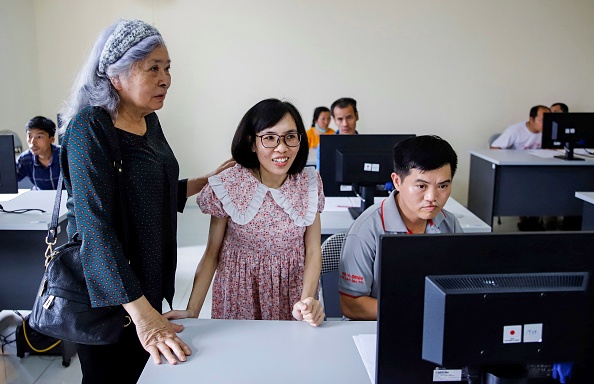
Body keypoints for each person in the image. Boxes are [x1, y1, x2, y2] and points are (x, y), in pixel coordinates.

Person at [58, 18, 234, 383]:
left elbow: (149, 195)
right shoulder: (89, 127)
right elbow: (95, 230)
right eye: (152, 68)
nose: (165, 78)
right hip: (111, 301)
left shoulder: (148, 122)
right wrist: (143, 316)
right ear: (115, 74)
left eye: (167, 68)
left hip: (148, 289)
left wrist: (207, 181)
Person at [164, 98, 325, 327]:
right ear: (252, 143)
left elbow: (312, 250)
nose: (282, 148)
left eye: (290, 136)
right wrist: (192, 310)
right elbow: (212, 253)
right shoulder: (230, 184)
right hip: (241, 291)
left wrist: (307, 300)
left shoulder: (308, 182)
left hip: (293, 288)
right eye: (269, 138)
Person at [338, 135, 462, 321]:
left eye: (443, 186)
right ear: (397, 181)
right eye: (421, 186)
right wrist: (417, 312)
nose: (432, 197)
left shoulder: (449, 223)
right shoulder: (366, 229)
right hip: (379, 328)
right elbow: (351, 305)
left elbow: (460, 285)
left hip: (434, 324)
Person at [490, 105, 551, 231]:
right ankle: (526, 219)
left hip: (540, 171)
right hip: (518, 173)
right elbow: (494, 148)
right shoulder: (516, 131)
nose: (546, 124)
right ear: (531, 119)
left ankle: (537, 218)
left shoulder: (550, 132)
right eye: (542, 120)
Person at [15, 116, 60, 190]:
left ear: (51, 139)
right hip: (39, 197)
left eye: (39, 137)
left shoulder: (65, 155)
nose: (32, 142)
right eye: (29, 136)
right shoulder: (25, 158)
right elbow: (9, 180)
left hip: (64, 197)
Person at [316, 97, 359, 168]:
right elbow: (320, 175)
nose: (345, 124)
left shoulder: (369, 145)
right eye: (340, 119)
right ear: (334, 120)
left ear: (356, 116)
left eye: (349, 117)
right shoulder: (324, 146)